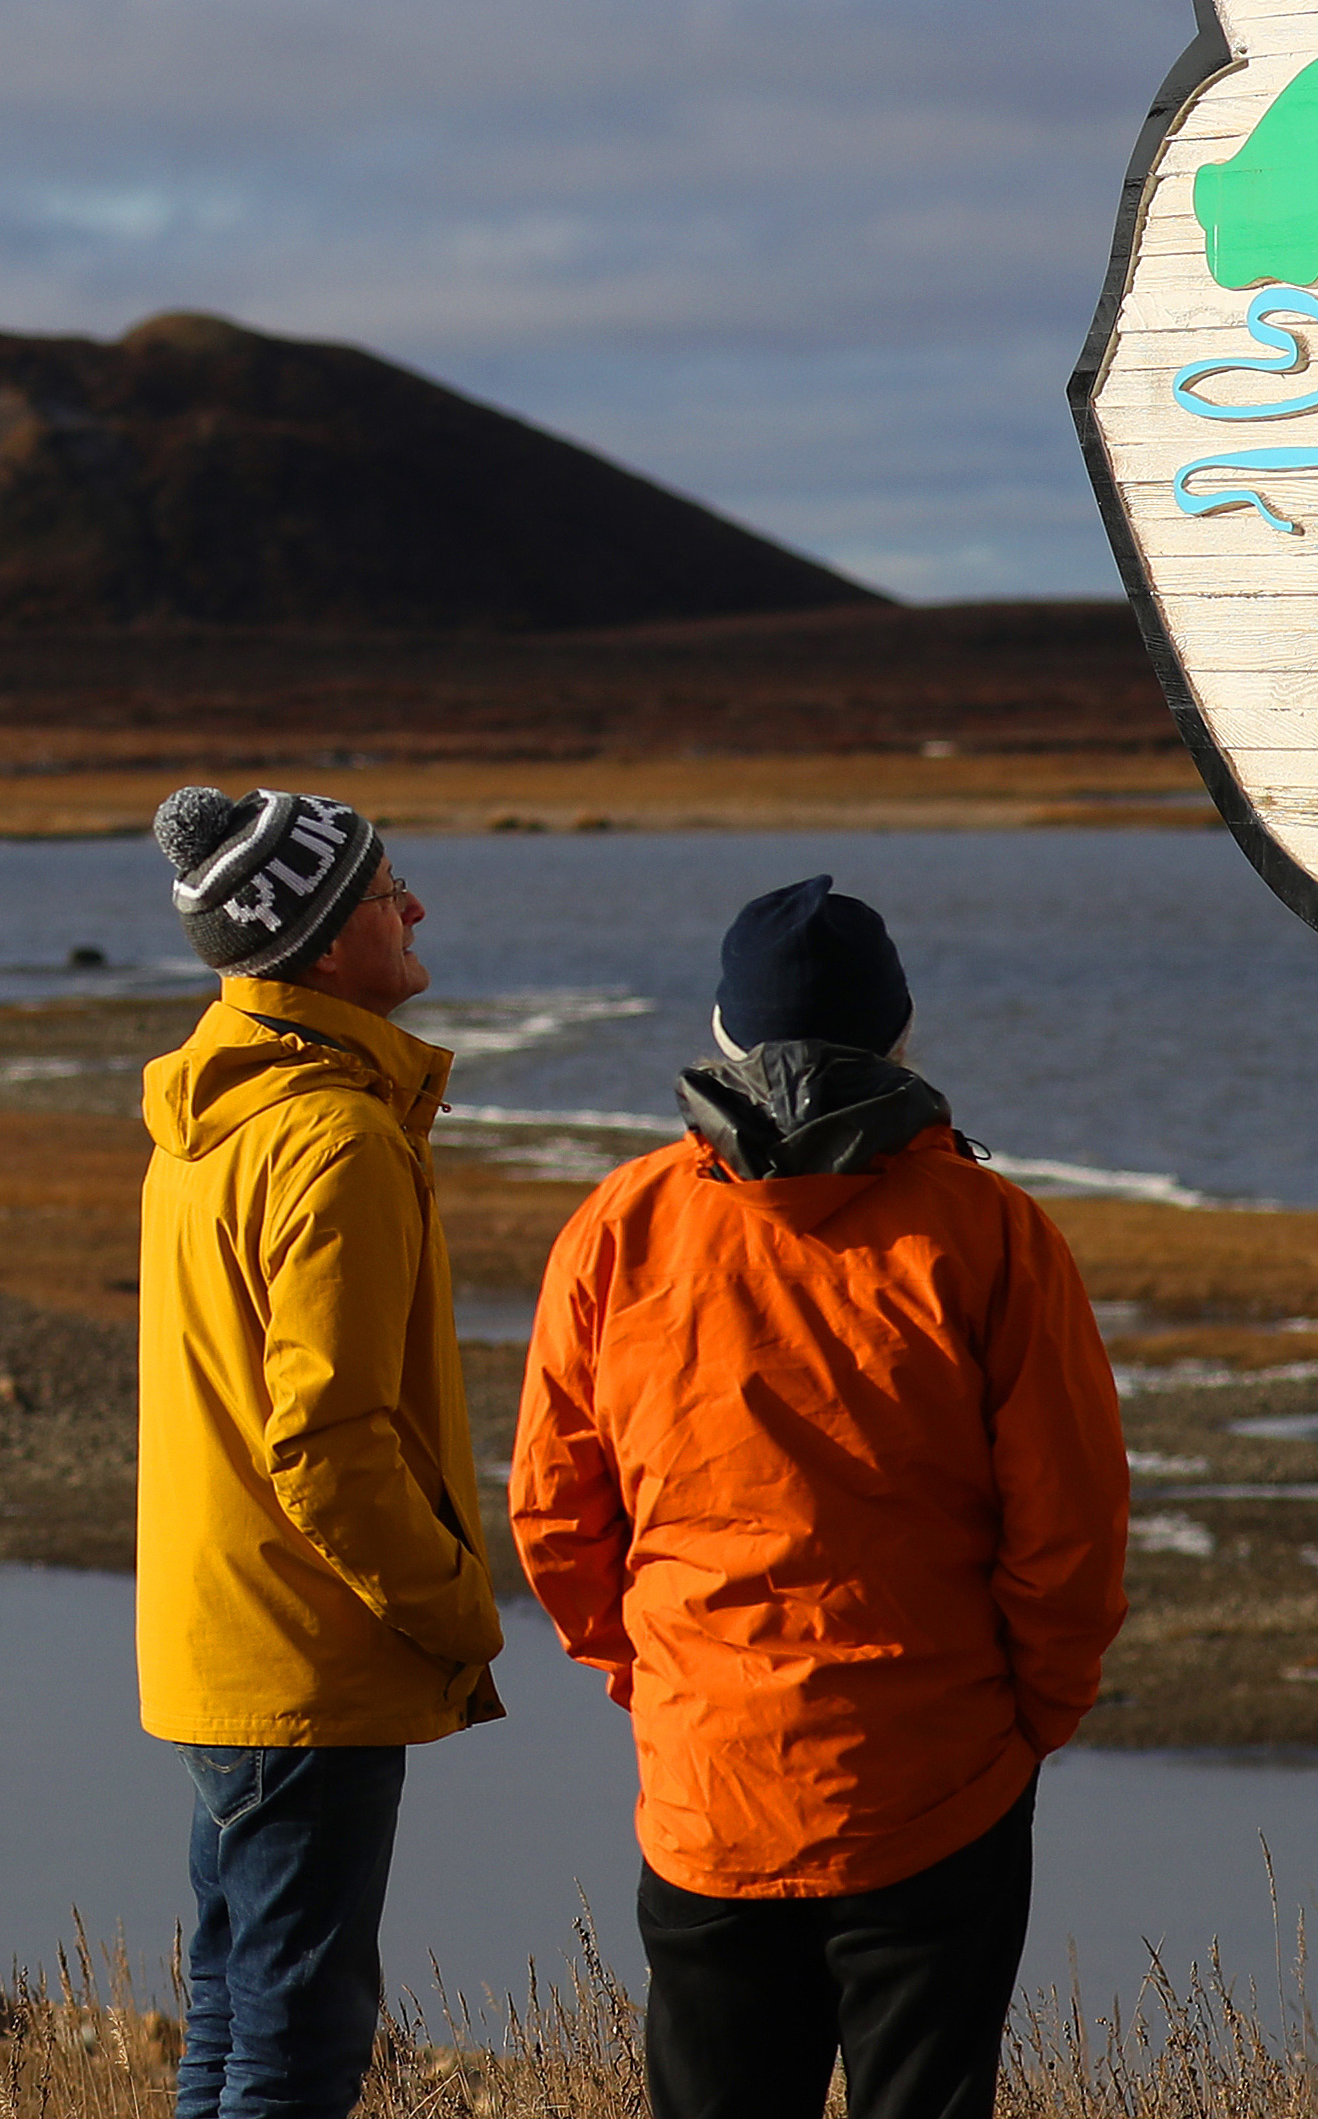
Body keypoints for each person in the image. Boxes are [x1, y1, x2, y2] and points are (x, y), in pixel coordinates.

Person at [509, 876, 1129, 2119]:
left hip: (708, 1786)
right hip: (937, 1785)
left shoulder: (619, 1229)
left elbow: (553, 1517)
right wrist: (1032, 1720)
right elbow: (1070, 1530)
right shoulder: (993, 1234)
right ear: (900, 1038)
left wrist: (663, 1682)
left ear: (723, 1037)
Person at [136, 781, 510, 2119]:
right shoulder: (334, 1138)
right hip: (310, 1652)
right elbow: (325, 1444)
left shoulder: (212, 1113)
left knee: (235, 2024)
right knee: (293, 2050)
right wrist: (453, 1606)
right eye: (386, 889)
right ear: (317, 941)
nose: (416, 907)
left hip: (226, 1643)